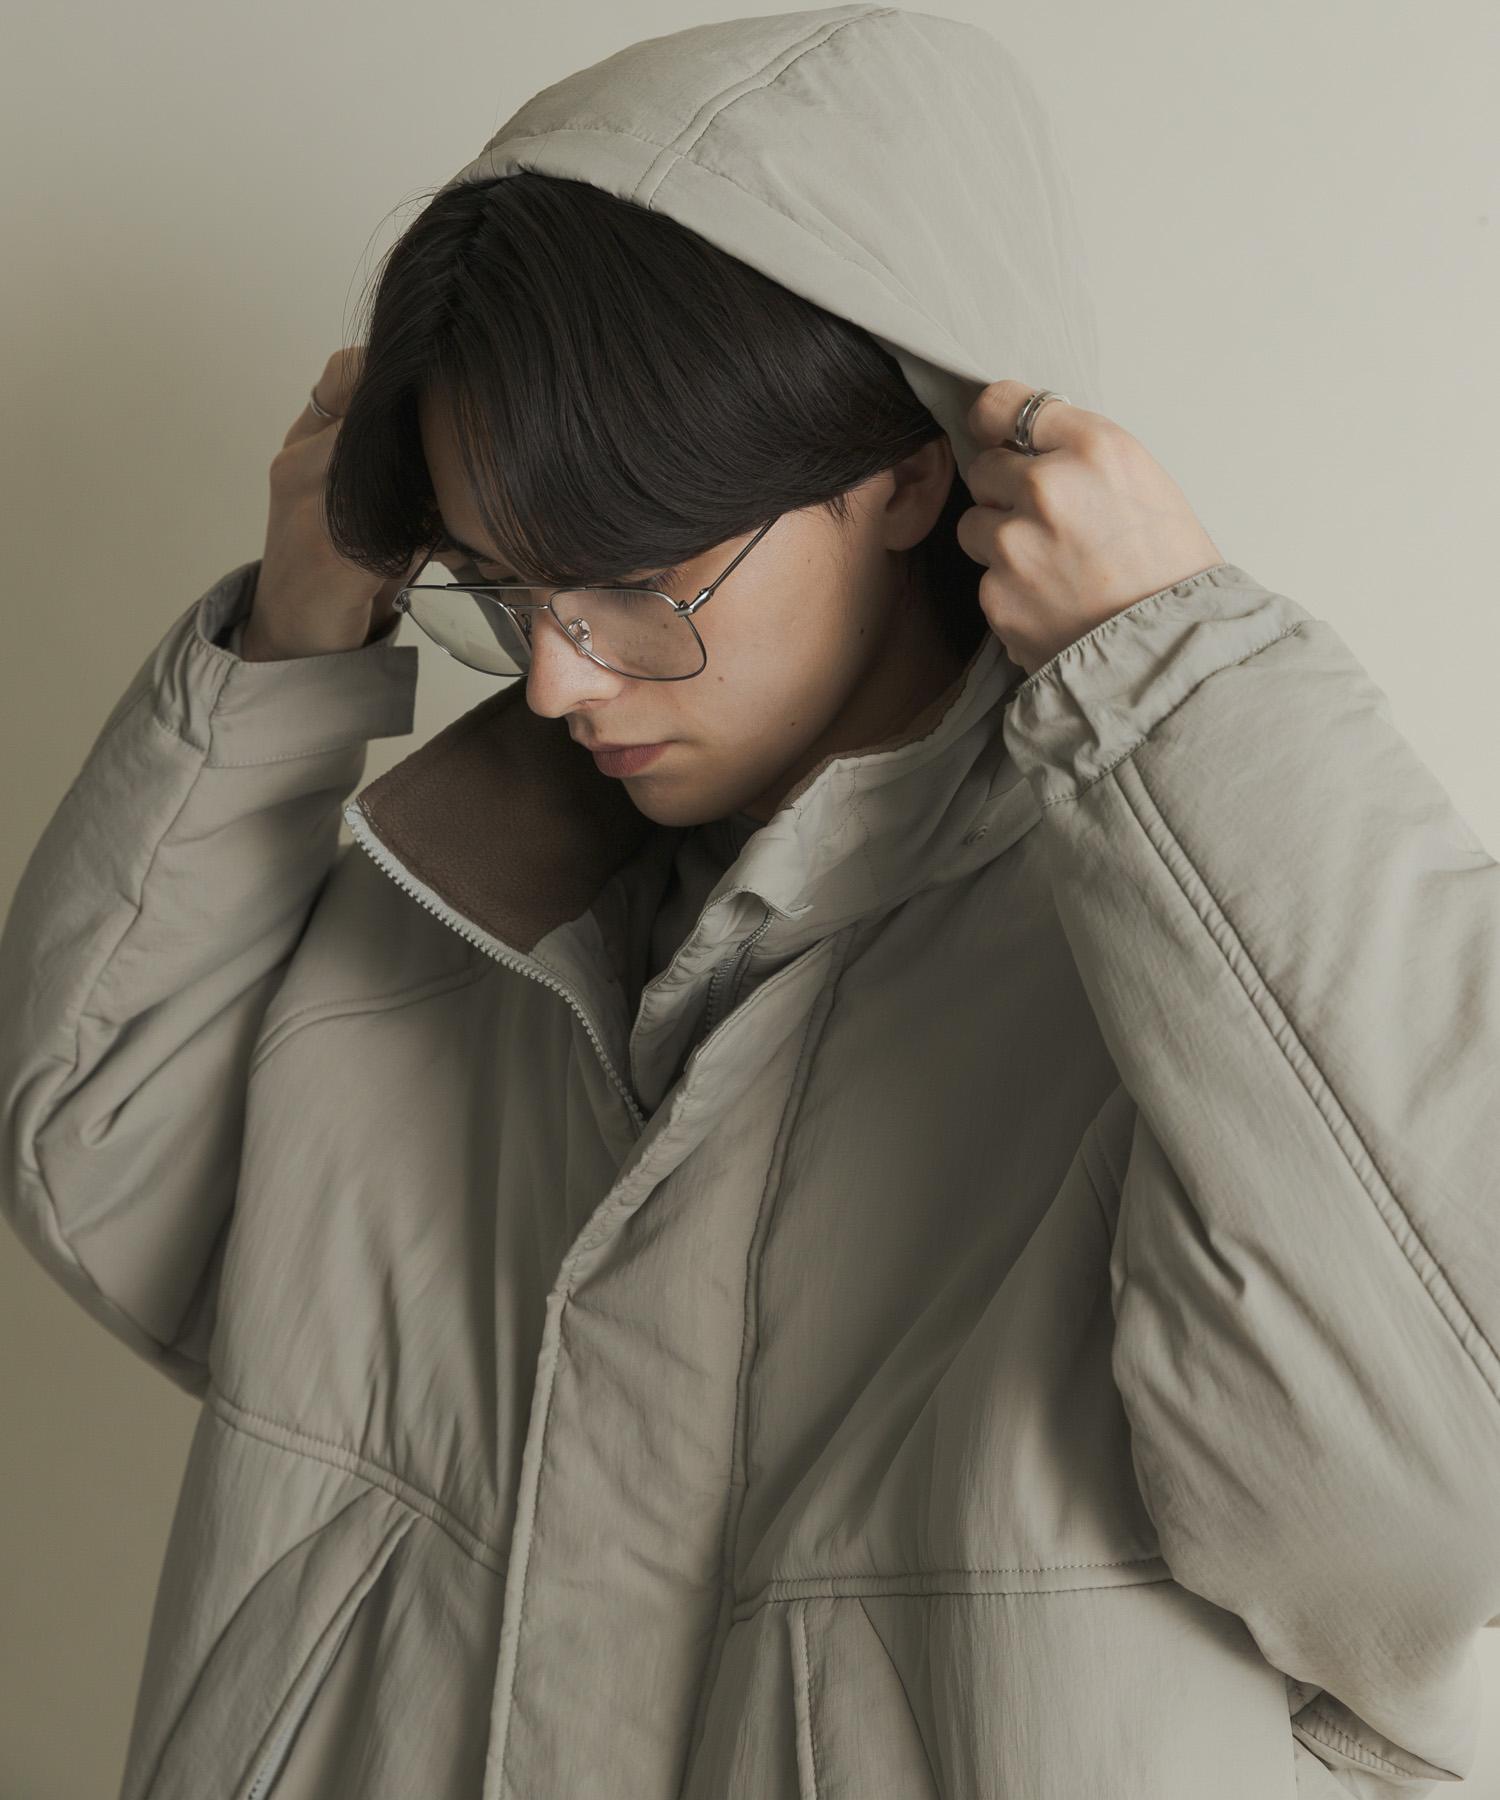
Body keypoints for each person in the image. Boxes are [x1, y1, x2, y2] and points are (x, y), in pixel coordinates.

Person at [2, 7, 1498, 1798]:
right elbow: (93, 1155)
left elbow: (1443, 1471)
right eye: (501, 589)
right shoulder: (471, 908)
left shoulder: (1173, 972)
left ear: (911, 471)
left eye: (636, 584)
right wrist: (293, 637)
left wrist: (1176, 689)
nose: (554, 680)